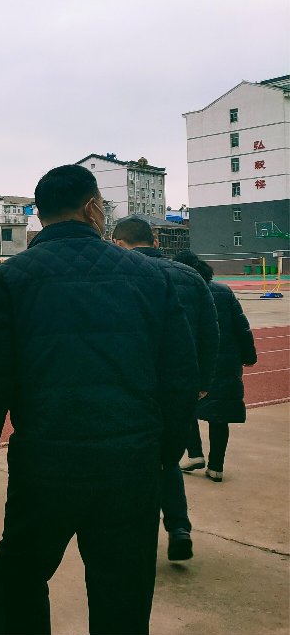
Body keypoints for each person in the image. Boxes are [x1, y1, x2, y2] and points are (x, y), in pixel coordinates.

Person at [0, 165, 199, 635]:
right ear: (92, 209)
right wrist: (163, 453)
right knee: (123, 592)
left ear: (40, 214)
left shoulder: (12, 278)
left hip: (44, 462)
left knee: (23, 577)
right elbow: (180, 376)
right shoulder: (149, 275)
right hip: (129, 462)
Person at [112, 216, 219, 561]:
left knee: (131, 461)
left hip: (134, 386)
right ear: (155, 242)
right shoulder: (191, 277)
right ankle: (178, 527)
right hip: (179, 386)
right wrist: (202, 383)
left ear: (118, 243)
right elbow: (210, 333)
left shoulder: (118, 275)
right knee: (167, 458)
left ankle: (137, 536)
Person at [175, 250, 257, 482]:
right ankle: (216, 467)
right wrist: (249, 356)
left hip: (193, 361)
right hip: (226, 362)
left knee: (184, 407)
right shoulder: (223, 291)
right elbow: (242, 327)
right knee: (219, 415)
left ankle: (194, 453)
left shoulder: (180, 294)